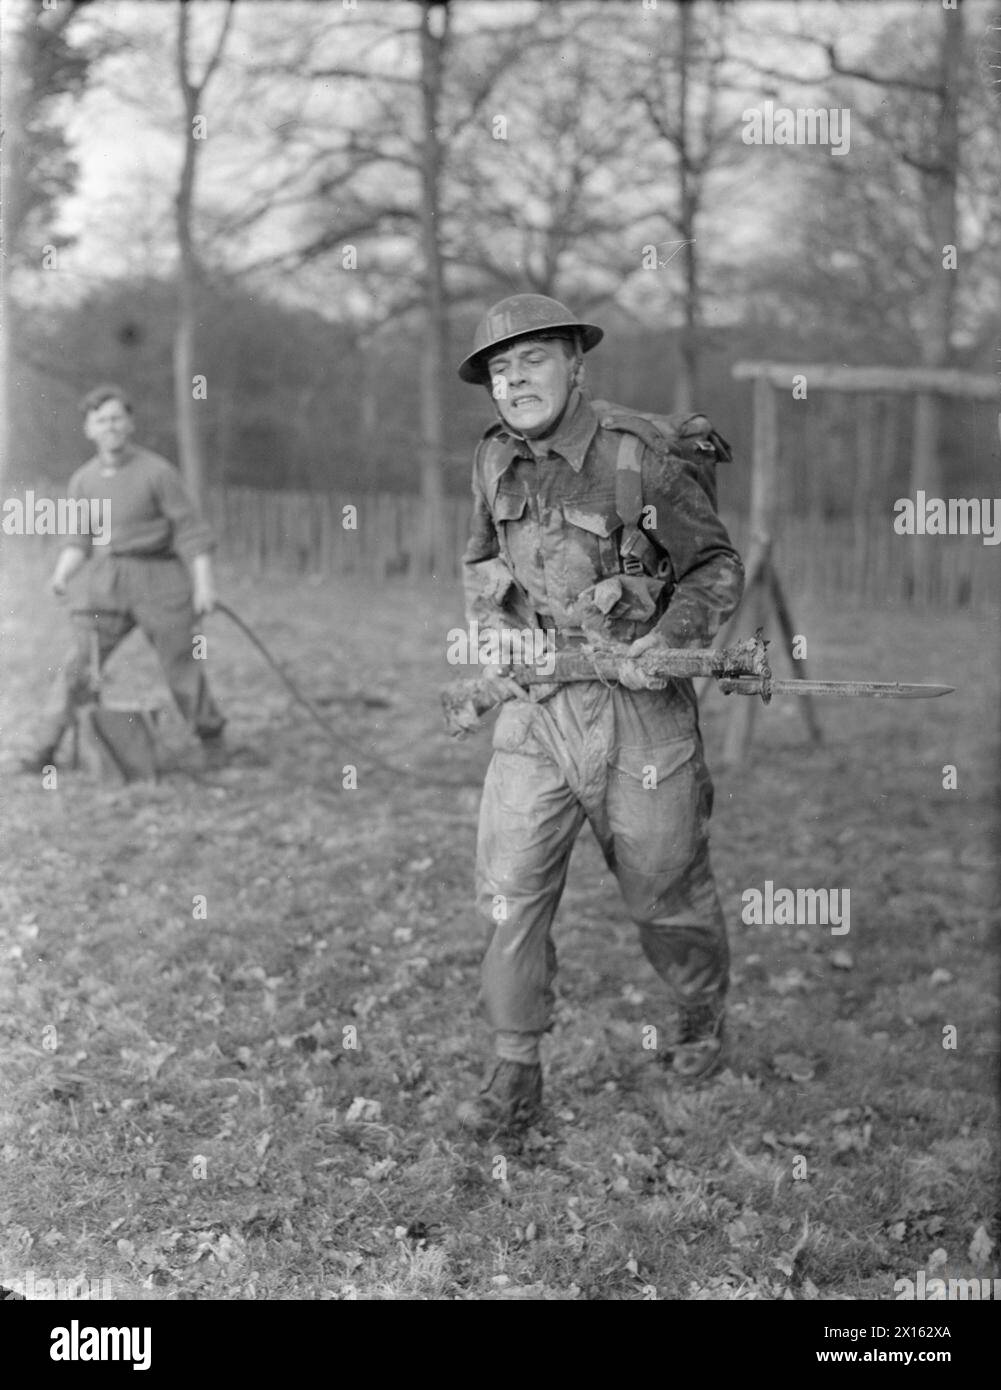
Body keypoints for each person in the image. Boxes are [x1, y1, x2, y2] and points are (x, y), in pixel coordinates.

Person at [456, 294, 745, 1132]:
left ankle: (697, 1011)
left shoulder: (640, 456)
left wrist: (669, 638)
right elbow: (480, 562)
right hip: (538, 708)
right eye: (500, 371)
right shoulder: (491, 462)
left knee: (662, 890)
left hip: (639, 713)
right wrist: (494, 639)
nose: (515, 383)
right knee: (508, 894)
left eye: (532, 361)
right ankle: (515, 1071)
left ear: (575, 364)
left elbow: (714, 567)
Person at [18, 384, 226, 773]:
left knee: (181, 662)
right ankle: (43, 750)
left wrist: (204, 585)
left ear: (130, 424)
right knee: (80, 663)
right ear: (88, 429)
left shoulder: (158, 472)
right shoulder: (83, 480)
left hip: (161, 578)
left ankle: (212, 740)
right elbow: (79, 538)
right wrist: (61, 575)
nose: (110, 427)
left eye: (116, 418)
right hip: (109, 580)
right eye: (101, 420)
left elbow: (192, 532)